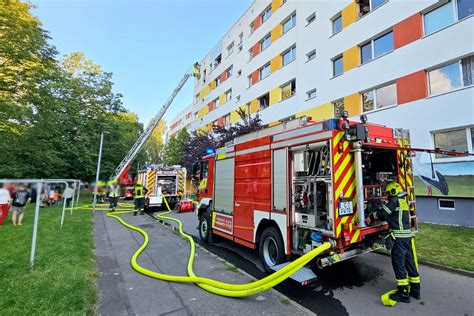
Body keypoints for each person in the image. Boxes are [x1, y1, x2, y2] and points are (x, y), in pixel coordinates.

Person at [366, 181, 421, 304]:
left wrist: (371, 216)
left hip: (399, 239)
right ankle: (416, 291)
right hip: (407, 238)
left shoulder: (394, 201)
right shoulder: (403, 201)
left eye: (388, 193)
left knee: (398, 264)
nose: (387, 196)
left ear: (393, 192)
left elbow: (383, 213)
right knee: (410, 264)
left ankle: (403, 293)